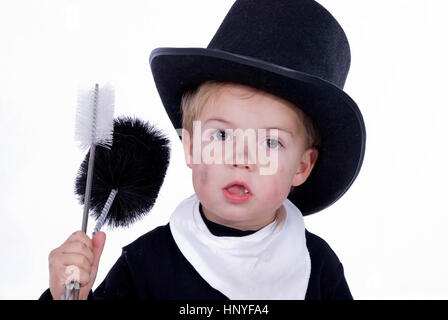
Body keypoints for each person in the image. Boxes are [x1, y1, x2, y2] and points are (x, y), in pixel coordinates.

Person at [40, 0, 366, 300]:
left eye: (270, 142)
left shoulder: (317, 268)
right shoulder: (145, 265)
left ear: (302, 167)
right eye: (222, 135)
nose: (241, 159)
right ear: (192, 146)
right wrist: (69, 295)